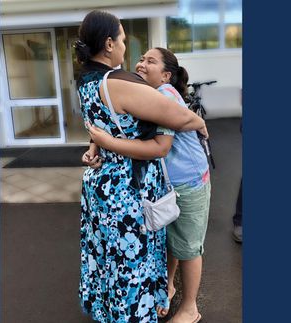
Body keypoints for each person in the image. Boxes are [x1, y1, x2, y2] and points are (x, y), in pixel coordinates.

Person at [75, 10, 208, 323]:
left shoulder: (86, 81)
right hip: (127, 189)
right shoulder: (118, 84)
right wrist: (201, 123)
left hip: (101, 183)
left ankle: (111, 311)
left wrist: (97, 146)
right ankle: (133, 314)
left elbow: (104, 126)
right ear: (109, 44)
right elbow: (181, 118)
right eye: (122, 38)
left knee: (109, 256)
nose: (125, 46)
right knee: (131, 260)